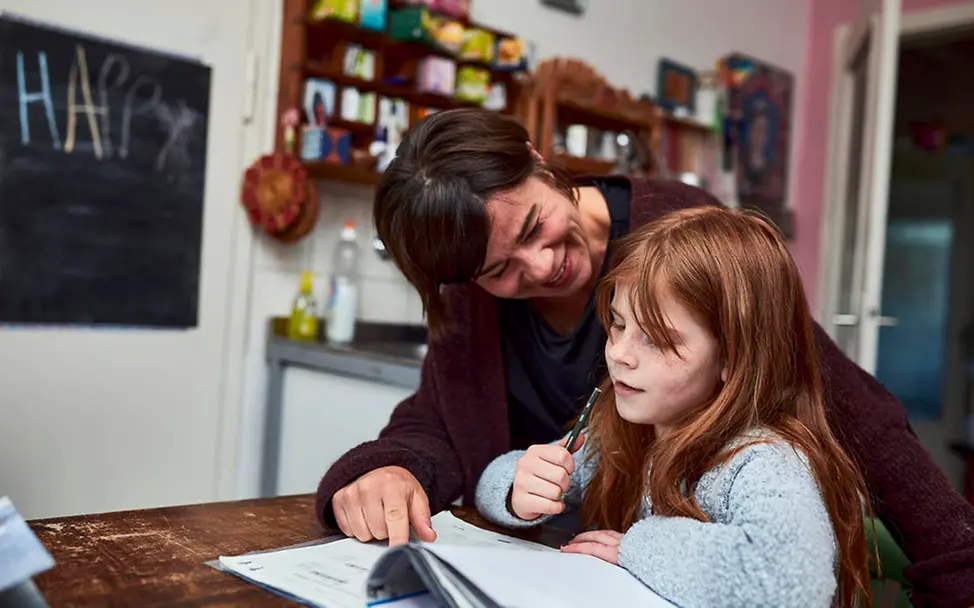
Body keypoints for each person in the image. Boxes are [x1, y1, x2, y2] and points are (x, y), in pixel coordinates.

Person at [316, 108, 974, 607]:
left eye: (534, 228)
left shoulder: (679, 236)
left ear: (539, 163)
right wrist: (390, 469)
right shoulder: (471, 294)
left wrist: (955, 563)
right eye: (500, 270)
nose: (543, 267)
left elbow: (842, 399)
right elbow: (442, 418)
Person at [475, 206, 871, 607]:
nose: (620, 354)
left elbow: (790, 584)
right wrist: (519, 491)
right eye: (618, 322)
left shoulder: (763, 462)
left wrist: (637, 546)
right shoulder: (621, 428)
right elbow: (494, 479)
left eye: (657, 339)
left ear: (733, 357)